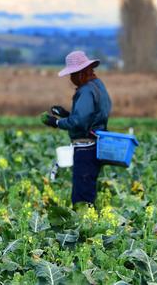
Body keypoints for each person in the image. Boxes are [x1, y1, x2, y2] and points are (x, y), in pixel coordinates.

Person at [42, 50, 112, 206]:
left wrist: (57, 123)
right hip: (96, 146)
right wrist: (66, 114)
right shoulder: (98, 85)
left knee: (81, 196)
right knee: (88, 190)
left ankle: (83, 226)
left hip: (86, 149)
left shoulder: (86, 90)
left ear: (80, 73)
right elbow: (90, 116)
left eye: (73, 74)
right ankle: (87, 222)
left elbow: (79, 122)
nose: (71, 78)